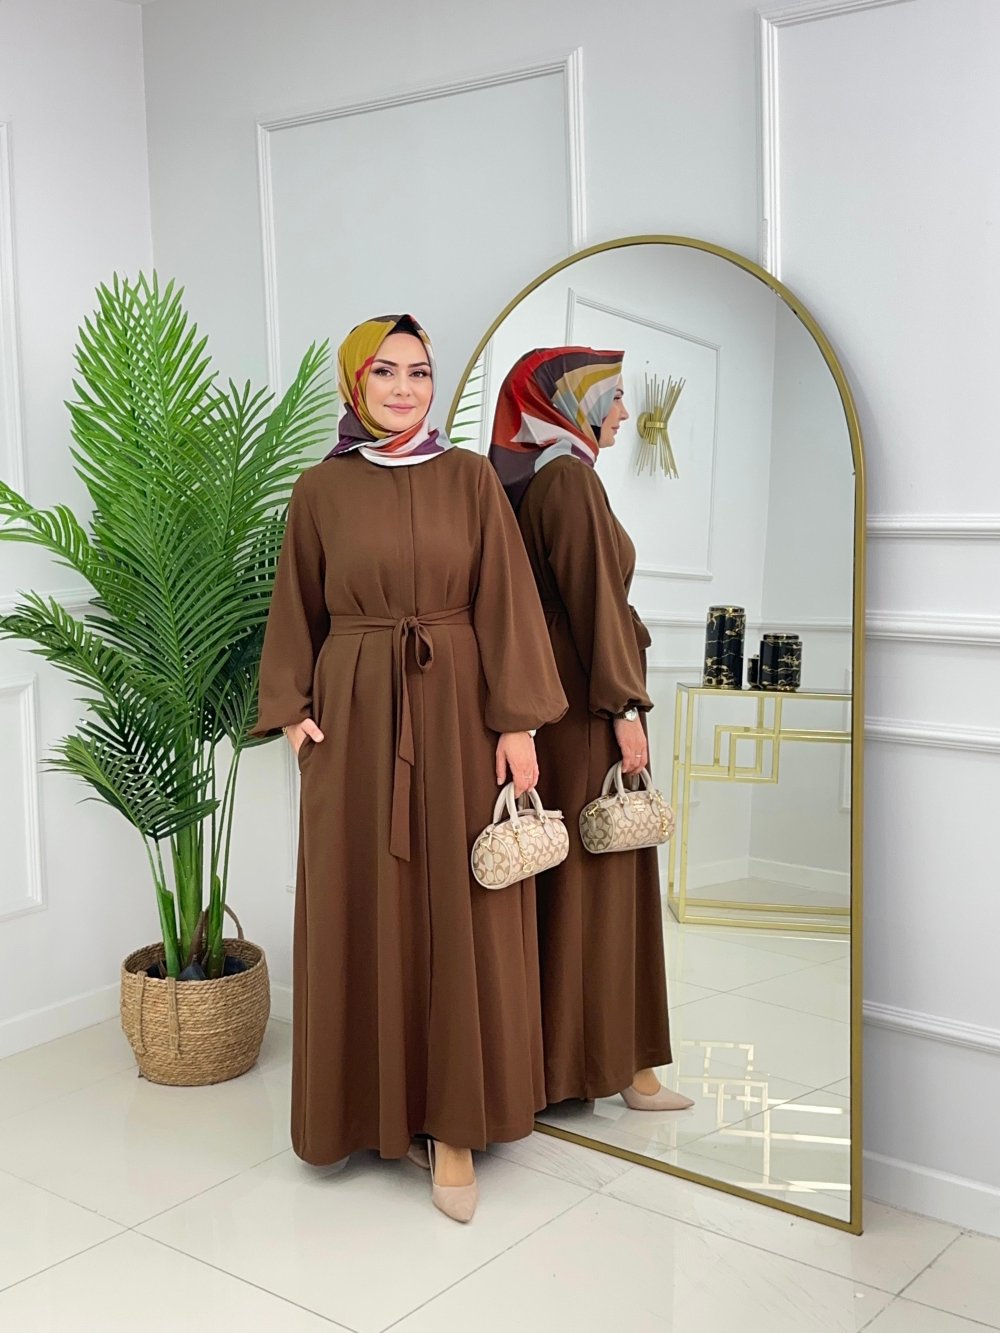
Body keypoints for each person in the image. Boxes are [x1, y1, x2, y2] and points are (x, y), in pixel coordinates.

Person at [252, 315, 567, 1223]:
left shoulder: (470, 478)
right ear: (356, 383)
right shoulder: (320, 488)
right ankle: (360, 1110)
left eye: (420, 372)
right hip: (353, 722)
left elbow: (508, 599)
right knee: (362, 902)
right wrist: (295, 717)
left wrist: (517, 722)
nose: (404, 388)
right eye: (385, 372)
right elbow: (294, 606)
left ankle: (455, 1125)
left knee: (457, 905)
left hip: (461, 710)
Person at [488, 346, 693, 1114]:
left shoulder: (538, 480)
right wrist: (625, 709)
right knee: (601, 888)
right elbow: (596, 605)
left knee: (575, 887)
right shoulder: (569, 481)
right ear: (570, 400)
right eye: (611, 397)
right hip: (585, 708)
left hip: (562, 705)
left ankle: (578, 1069)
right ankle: (619, 1071)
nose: (623, 412)